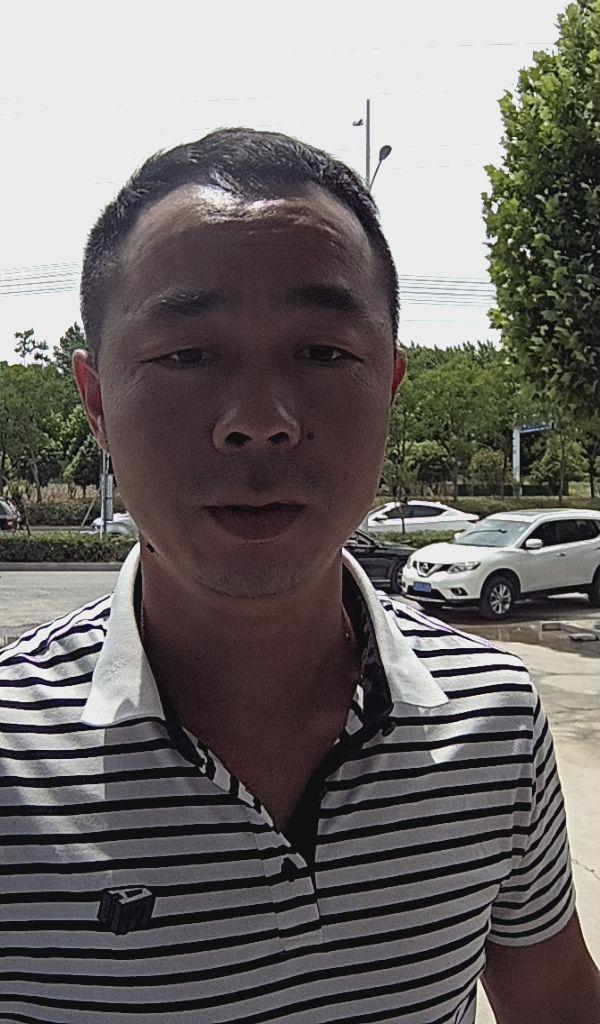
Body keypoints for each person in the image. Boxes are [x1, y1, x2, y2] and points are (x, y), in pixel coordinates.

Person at [1, 128, 598, 1024]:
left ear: (389, 384)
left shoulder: (493, 717)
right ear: (95, 402)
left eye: (321, 352)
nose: (258, 419)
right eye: (186, 355)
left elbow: (555, 999)